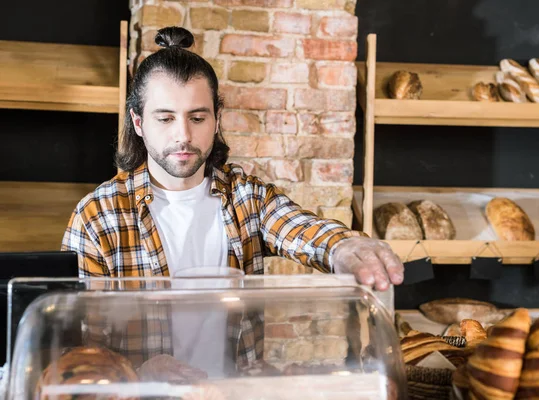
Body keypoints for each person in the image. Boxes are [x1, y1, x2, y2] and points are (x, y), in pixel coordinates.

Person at [61, 26, 404, 372]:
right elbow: (72, 349)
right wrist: (137, 375)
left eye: (197, 117)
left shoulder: (246, 198)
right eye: (165, 118)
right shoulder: (98, 215)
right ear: (138, 122)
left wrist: (341, 248)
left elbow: (303, 230)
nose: (183, 135)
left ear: (216, 119)